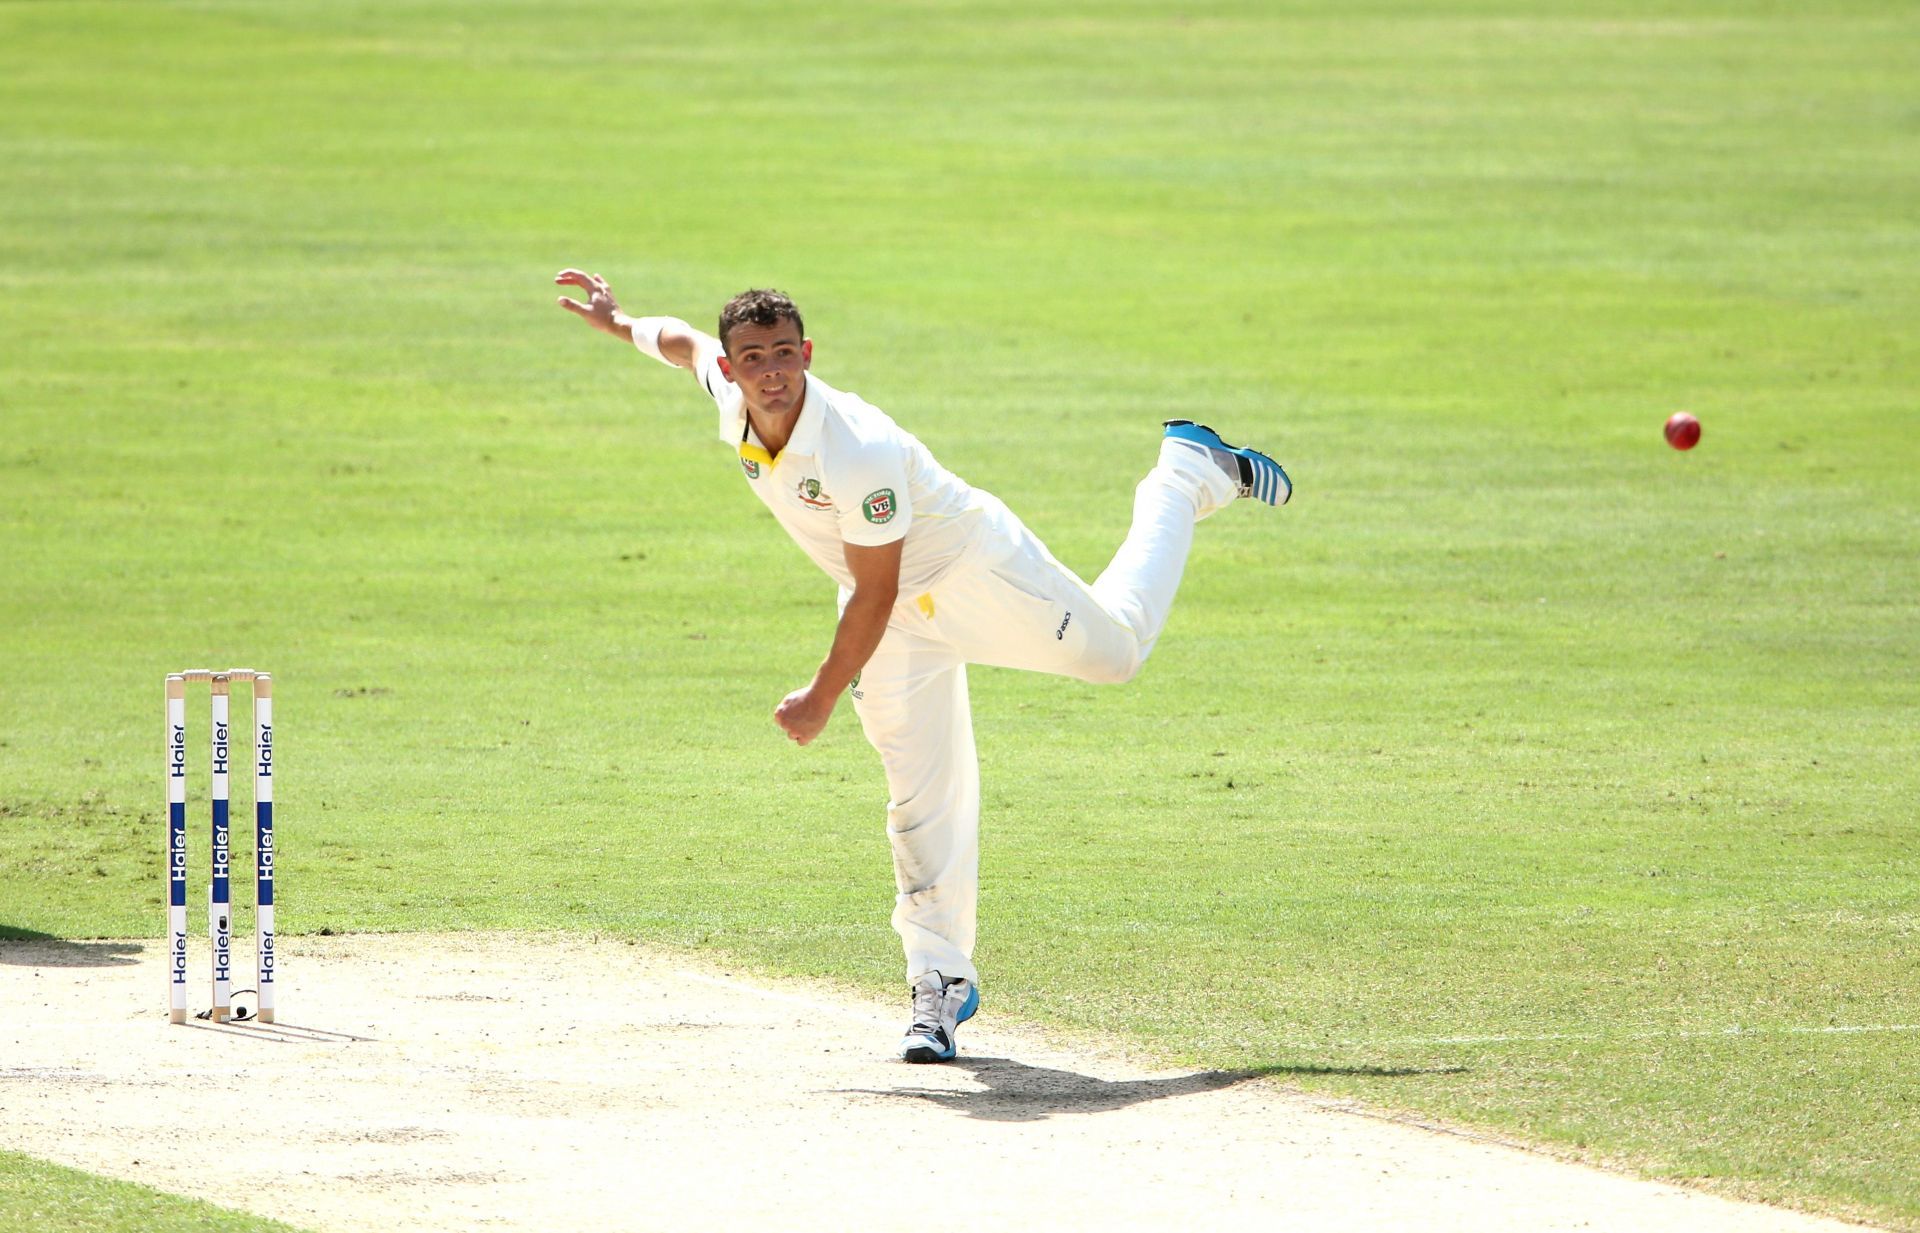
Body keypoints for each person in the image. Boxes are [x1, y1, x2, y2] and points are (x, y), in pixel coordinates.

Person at [554, 271, 1291, 1063]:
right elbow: (682, 343)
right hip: (892, 615)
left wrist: (821, 696)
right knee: (918, 792)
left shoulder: (855, 449)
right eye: (752, 357)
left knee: (1117, 657)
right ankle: (938, 986)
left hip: (973, 572)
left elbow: (876, 592)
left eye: (782, 354)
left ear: (806, 354)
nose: (769, 371)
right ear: (733, 370)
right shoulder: (730, 393)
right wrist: (619, 320)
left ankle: (1182, 474)